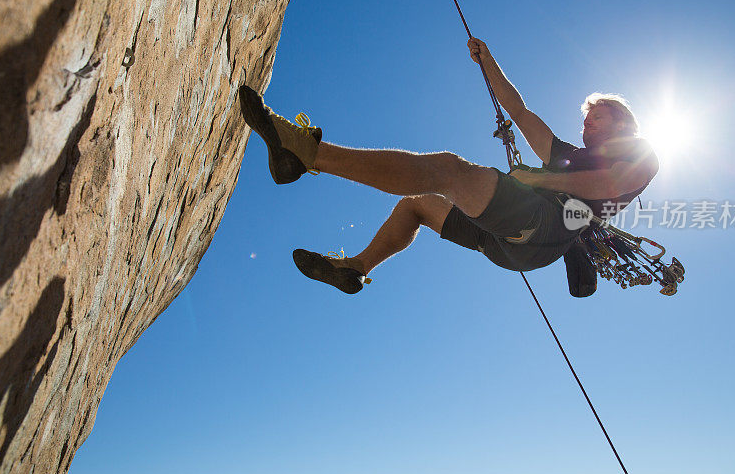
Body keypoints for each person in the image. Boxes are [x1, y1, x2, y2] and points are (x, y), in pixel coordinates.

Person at [239, 38, 659, 294]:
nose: (587, 122)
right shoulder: (565, 152)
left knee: (448, 170)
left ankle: (306, 154)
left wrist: (539, 177)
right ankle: (354, 269)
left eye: (597, 116)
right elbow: (519, 108)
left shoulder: (640, 154)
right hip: (507, 241)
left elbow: (609, 184)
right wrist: (487, 61)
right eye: (586, 117)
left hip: (546, 229)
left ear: (622, 122)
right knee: (416, 206)